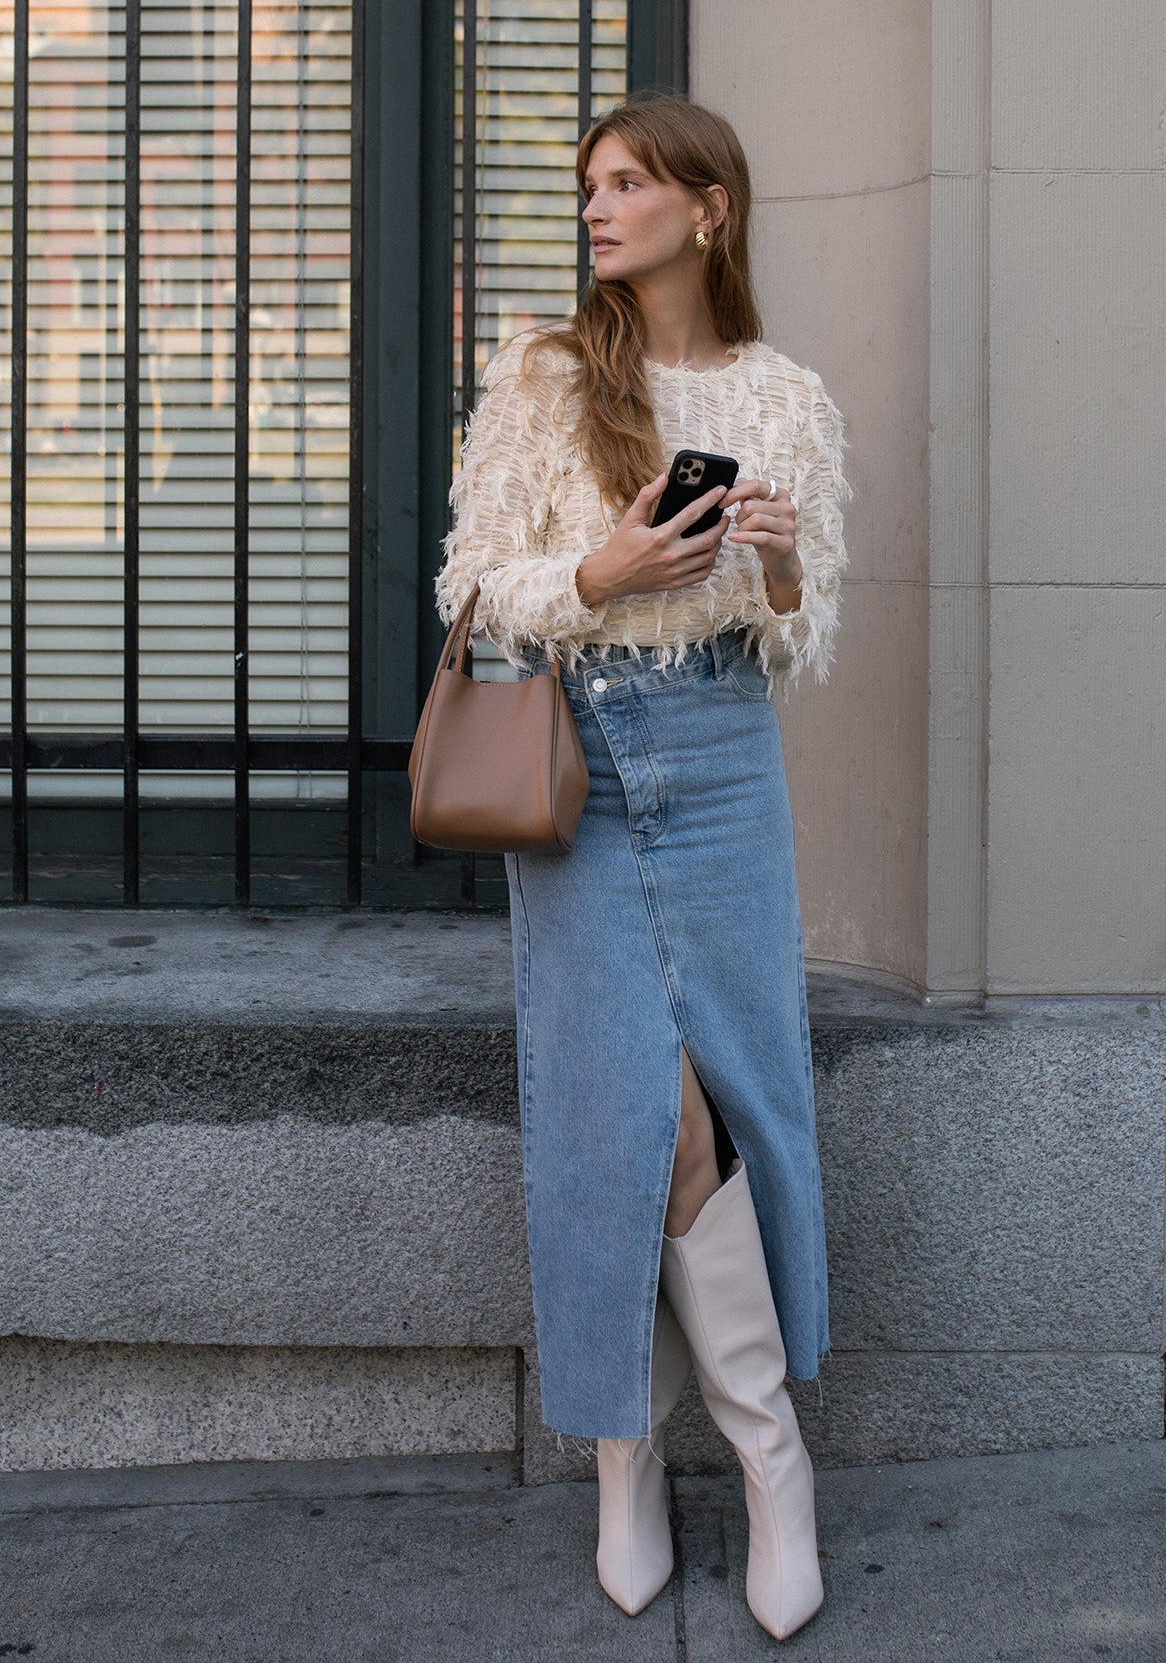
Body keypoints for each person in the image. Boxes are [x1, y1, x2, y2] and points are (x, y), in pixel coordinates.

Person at [435, 94, 851, 1641]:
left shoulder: (782, 392)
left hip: (725, 757)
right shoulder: (544, 379)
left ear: (708, 206)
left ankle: (761, 1470)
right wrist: (602, 568)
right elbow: (476, 590)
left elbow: (794, 640)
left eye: (628, 184)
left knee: (745, 1093)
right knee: (637, 1114)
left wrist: (780, 552)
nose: (597, 209)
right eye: (589, 186)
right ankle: (643, 1455)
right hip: (583, 768)